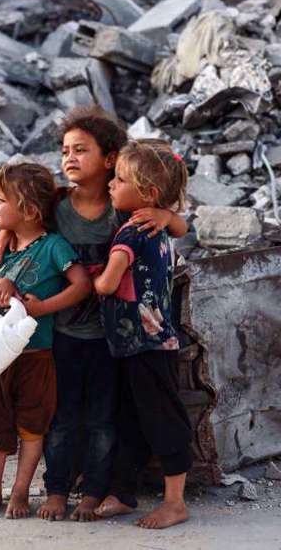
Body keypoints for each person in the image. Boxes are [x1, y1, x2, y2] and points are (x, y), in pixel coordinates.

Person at [0, 106, 189, 522]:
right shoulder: (56, 206)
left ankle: (102, 490)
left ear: (109, 160)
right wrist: (5, 232)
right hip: (63, 331)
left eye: (80, 149)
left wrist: (167, 215)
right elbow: (23, 218)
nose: (69, 158)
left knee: (109, 416)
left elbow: (178, 228)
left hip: (113, 338)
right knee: (62, 414)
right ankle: (63, 487)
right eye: (64, 150)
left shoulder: (127, 207)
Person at [0, 163, 91, 519]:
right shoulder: (4, 246)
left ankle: (20, 491)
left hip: (37, 353)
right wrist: (0, 285)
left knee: (32, 426)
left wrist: (43, 309)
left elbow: (82, 285)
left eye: (0, 200)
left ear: (29, 210)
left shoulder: (53, 247)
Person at [92, 139, 193, 529]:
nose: (111, 185)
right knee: (133, 419)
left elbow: (107, 284)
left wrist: (91, 277)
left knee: (162, 420)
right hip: (141, 344)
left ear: (147, 194)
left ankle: (175, 502)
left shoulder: (131, 235)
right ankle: (124, 493)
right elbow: (180, 224)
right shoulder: (156, 228)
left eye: (119, 180)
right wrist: (167, 215)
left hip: (145, 344)